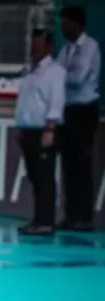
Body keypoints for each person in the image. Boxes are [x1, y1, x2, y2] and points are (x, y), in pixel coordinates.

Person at [15, 30, 66, 236]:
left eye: (38, 44)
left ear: (48, 46)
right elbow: (23, 102)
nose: (33, 49)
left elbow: (56, 100)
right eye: (32, 44)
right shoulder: (29, 71)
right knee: (35, 175)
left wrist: (50, 129)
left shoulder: (55, 71)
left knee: (45, 177)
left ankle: (46, 221)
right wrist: (19, 125)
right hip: (28, 130)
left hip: (44, 131)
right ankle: (37, 218)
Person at [56, 6, 100, 231]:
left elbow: (78, 78)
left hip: (84, 110)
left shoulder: (90, 46)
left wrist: (59, 73)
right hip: (67, 110)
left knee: (82, 164)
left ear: (77, 23)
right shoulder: (65, 49)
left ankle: (84, 217)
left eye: (65, 23)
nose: (62, 27)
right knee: (68, 164)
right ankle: (70, 214)